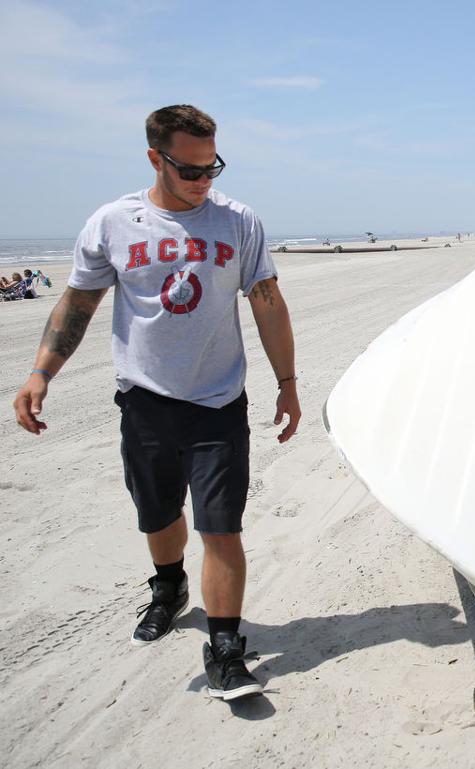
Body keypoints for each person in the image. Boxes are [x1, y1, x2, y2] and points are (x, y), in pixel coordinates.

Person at [11, 105, 301, 702]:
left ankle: (225, 646)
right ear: (155, 158)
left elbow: (267, 302)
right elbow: (77, 305)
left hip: (218, 402)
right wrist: (42, 372)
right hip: (143, 402)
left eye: (212, 167)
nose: (204, 181)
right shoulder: (114, 224)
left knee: (220, 528)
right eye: (191, 170)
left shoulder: (238, 223)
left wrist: (288, 381)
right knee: (158, 515)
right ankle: (169, 587)